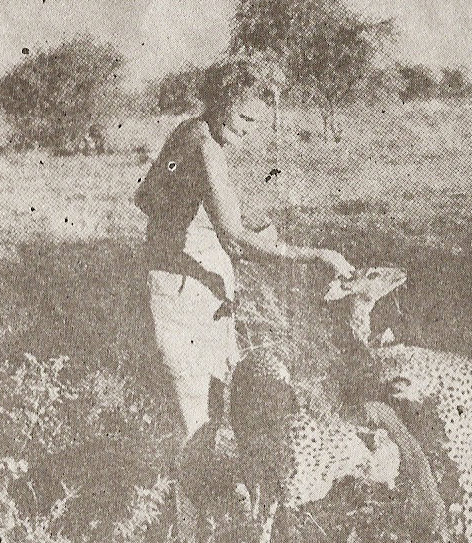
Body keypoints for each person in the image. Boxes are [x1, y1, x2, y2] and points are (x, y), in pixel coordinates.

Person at [135, 58, 353, 445]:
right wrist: (313, 256)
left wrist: (204, 222)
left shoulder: (190, 133)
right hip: (183, 285)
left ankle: (219, 493)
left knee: (219, 399)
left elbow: (148, 198)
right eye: (245, 119)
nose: (250, 131)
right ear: (220, 103)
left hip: (193, 277)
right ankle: (192, 499)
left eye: (257, 123)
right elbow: (234, 237)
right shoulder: (203, 145)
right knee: (196, 415)